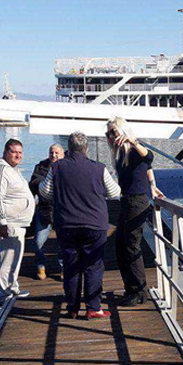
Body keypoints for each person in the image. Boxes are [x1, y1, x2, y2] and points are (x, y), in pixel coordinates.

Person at [40, 132, 121, 319]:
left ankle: (73, 307)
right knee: (93, 266)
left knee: (71, 266)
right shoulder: (99, 168)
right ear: (86, 148)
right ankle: (93, 307)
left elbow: (45, 192)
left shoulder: (57, 167)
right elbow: (115, 192)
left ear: (68, 148)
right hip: (95, 224)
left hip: (67, 224)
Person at [105, 117, 164, 307]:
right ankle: (132, 288)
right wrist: (153, 185)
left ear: (122, 131)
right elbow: (149, 169)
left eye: (114, 131)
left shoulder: (135, 149)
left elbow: (149, 158)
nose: (111, 136)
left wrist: (132, 141)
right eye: (108, 133)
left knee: (131, 246)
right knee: (121, 246)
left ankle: (139, 291)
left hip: (137, 202)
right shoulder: (121, 153)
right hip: (127, 201)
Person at [0, 139, 35, 308]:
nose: (18, 155)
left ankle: (12, 288)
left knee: (15, 258)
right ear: (6, 151)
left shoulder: (11, 169)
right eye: (14, 152)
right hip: (9, 223)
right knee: (7, 259)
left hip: (18, 223)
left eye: (20, 152)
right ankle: (2, 296)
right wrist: (2, 222)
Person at [29, 143, 65, 280]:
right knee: (38, 240)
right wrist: (47, 183)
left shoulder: (67, 167)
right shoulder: (41, 166)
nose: (54, 155)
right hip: (44, 209)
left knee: (63, 241)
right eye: (51, 152)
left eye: (57, 153)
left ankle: (63, 266)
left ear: (62, 154)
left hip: (62, 210)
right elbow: (33, 182)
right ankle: (40, 265)